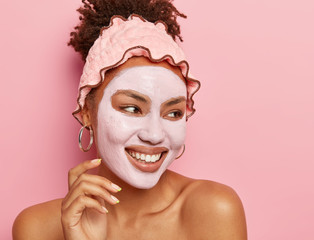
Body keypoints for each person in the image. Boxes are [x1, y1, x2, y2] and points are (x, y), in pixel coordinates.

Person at [12, 0, 247, 239]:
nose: (155, 135)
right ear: (86, 114)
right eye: (132, 108)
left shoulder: (214, 210)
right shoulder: (37, 227)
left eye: (174, 113)